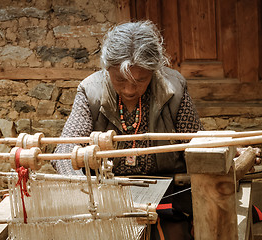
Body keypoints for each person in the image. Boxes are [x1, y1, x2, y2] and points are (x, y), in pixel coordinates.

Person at [52, 20, 205, 240]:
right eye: (120, 80)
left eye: (140, 80)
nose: (129, 89)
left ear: (154, 70)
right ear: (108, 69)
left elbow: (195, 143)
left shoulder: (173, 89)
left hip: (168, 199)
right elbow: (65, 150)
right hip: (108, 202)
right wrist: (83, 191)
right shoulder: (90, 92)